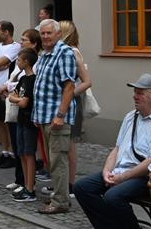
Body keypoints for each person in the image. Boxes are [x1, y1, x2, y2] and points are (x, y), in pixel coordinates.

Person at [73, 74, 151, 229]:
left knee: (113, 195)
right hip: (123, 171)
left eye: (140, 93)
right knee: (82, 187)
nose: (134, 96)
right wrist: (107, 171)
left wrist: (122, 178)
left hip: (149, 176)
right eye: (134, 92)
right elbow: (117, 149)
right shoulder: (132, 116)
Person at [32, 19, 78, 214]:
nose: (45, 37)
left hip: (56, 117)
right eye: (43, 33)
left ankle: (61, 201)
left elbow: (69, 87)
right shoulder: (44, 54)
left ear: (58, 34)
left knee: (58, 160)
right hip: (44, 116)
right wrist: (37, 115)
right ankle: (59, 196)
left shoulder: (64, 52)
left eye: (49, 33)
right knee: (51, 160)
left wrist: (61, 115)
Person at [59, 20, 93, 193]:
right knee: (61, 145)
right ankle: (62, 182)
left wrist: (69, 95)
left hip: (71, 103)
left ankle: (70, 184)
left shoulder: (72, 52)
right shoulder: (61, 52)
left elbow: (86, 82)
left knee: (69, 145)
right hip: (64, 102)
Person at [0, 21, 21, 170]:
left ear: (7, 32)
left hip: (6, 89)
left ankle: (13, 153)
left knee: (8, 122)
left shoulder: (15, 47)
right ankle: (5, 151)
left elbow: (1, 62)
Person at [8, 48, 39, 202]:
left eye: (19, 60)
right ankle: (26, 185)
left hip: (28, 121)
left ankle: (30, 188)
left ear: (26, 62)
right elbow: (12, 96)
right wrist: (17, 99)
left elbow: (25, 102)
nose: (17, 62)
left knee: (29, 153)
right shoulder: (22, 79)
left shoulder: (33, 79)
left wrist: (17, 100)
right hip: (20, 120)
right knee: (21, 152)